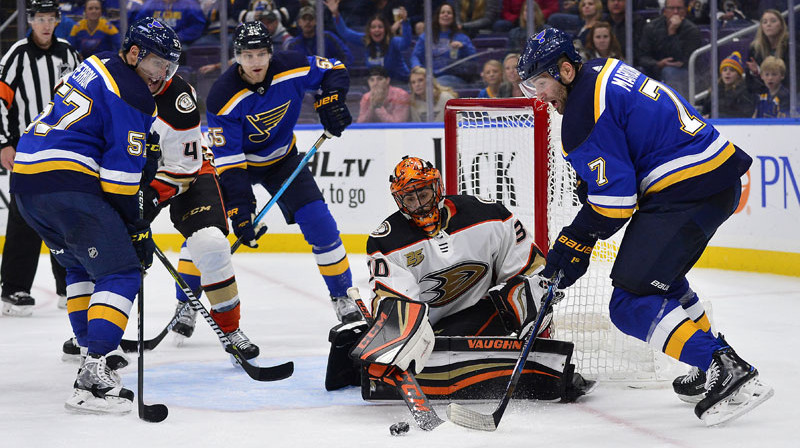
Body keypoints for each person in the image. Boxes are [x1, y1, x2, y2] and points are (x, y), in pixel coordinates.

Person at [518, 28, 773, 426]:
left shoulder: (582, 114)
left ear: (565, 70)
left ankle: (724, 366)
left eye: (540, 83)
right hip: (712, 179)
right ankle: (711, 362)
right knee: (661, 281)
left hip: (688, 189)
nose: (539, 96)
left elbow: (615, 206)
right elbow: (624, 153)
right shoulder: (600, 70)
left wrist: (572, 245)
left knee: (629, 304)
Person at [11, 17, 181, 414]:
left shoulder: (98, 62)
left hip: (26, 183)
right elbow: (120, 183)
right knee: (121, 271)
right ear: (135, 53)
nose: (163, 75)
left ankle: (89, 349)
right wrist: (136, 227)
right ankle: (91, 379)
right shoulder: (134, 94)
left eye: (169, 67)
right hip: (67, 183)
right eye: (158, 63)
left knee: (80, 266)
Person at [329, 156, 594, 400]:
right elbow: (399, 306)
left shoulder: (490, 216)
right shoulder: (387, 242)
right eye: (410, 199)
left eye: (424, 194)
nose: (419, 205)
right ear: (400, 201)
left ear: (437, 188)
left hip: (485, 314)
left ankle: (534, 361)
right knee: (397, 334)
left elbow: (528, 268)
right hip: (429, 331)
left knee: (524, 295)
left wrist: (534, 301)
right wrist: (398, 340)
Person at [205, 21, 361, 324]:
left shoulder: (291, 66)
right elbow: (230, 162)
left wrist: (331, 99)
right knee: (206, 232)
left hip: (282, 160)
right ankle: (184, 302)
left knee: (320, 224)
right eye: (248, 56)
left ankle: (342, 295)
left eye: (261, 54)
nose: (256, 62)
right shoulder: (222, 96)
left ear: (270, 53)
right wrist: (241, 209)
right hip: (239, 166)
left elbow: (335, 68)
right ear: (237, 56)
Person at [0, 0, 79, 316]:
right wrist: (4, 143)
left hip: (65, 151)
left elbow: (84, 98)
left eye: (51, 18)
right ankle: (14, 289)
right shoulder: (17, 54)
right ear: (30, 21)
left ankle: (70, 285)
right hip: (27, 151)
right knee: (24, 218)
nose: (46, 24)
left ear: (58, 20)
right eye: (40, 18)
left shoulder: (69, 54)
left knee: (67, 217)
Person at [325, 0, 413, 82]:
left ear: (386, 29)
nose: (376, 30)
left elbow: (405, 43)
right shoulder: (366, 40)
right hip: (377, 84)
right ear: (369, 30)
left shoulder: (393, 41)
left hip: (401, 83)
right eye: (373, 27)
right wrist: (335, 14)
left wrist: (405, 22)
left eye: (380, 27)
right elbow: (345, 33)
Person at [638, 0, 702, 98]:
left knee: (669, 71)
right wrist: (658, 64)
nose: (675, 12)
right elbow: (642, 57)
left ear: (685, 11)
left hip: (683, 73)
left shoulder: (692, 31)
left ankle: (675, 105)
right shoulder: (651, 27)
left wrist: (672, 32)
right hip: (654, 69)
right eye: (671, 8)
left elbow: (685, 61)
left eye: (679, 8)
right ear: (665, 11)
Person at [409, 2, 476, 88]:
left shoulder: (462, 37)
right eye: (442, 12)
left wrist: (463, 46)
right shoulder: (426, 36)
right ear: (438, 16)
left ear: (453, 17)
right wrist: (417, 67)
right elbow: (415, 56)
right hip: (429, 77)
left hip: (453, 78)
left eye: (449, 13)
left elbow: (474, 59)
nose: (445, 15)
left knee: (434, 85)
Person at [285, 6, 353, 67]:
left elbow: (346, 56)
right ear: (299, 22)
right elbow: (289, 65)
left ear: (316, 21)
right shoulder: (293, 45)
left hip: (327, 75)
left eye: (310, 19)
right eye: (304, 19)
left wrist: (337, 72)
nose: (308, 22)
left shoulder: (328, 37)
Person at [745, 9, 792, 93]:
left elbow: (793, 77)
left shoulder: (791, 46)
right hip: (762, 94)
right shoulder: (755, 49)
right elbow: (750, 84)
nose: (768, 24)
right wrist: (756, 73)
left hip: (788, 93)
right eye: (765, 22)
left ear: (781, 25)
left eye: (773, 21)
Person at [697, 51, 754, 118]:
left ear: (738, 75)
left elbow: (742, 115)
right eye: (724, 70)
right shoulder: (715, 90)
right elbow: (705, 110)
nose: (727, 73)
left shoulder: (745, 92)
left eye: (732, 70)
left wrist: (712, 116)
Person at [135, 0, 207, 47]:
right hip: (153, 41)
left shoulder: (190, 4)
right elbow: (139, 23)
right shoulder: (150, 4)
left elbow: (198, 25)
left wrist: (178, 37)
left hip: (181, 43)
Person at [604, 0, 645, 65]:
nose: (616, 3)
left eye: (620, 0)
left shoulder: (637, 23)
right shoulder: (603, 23)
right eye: (612, 0)